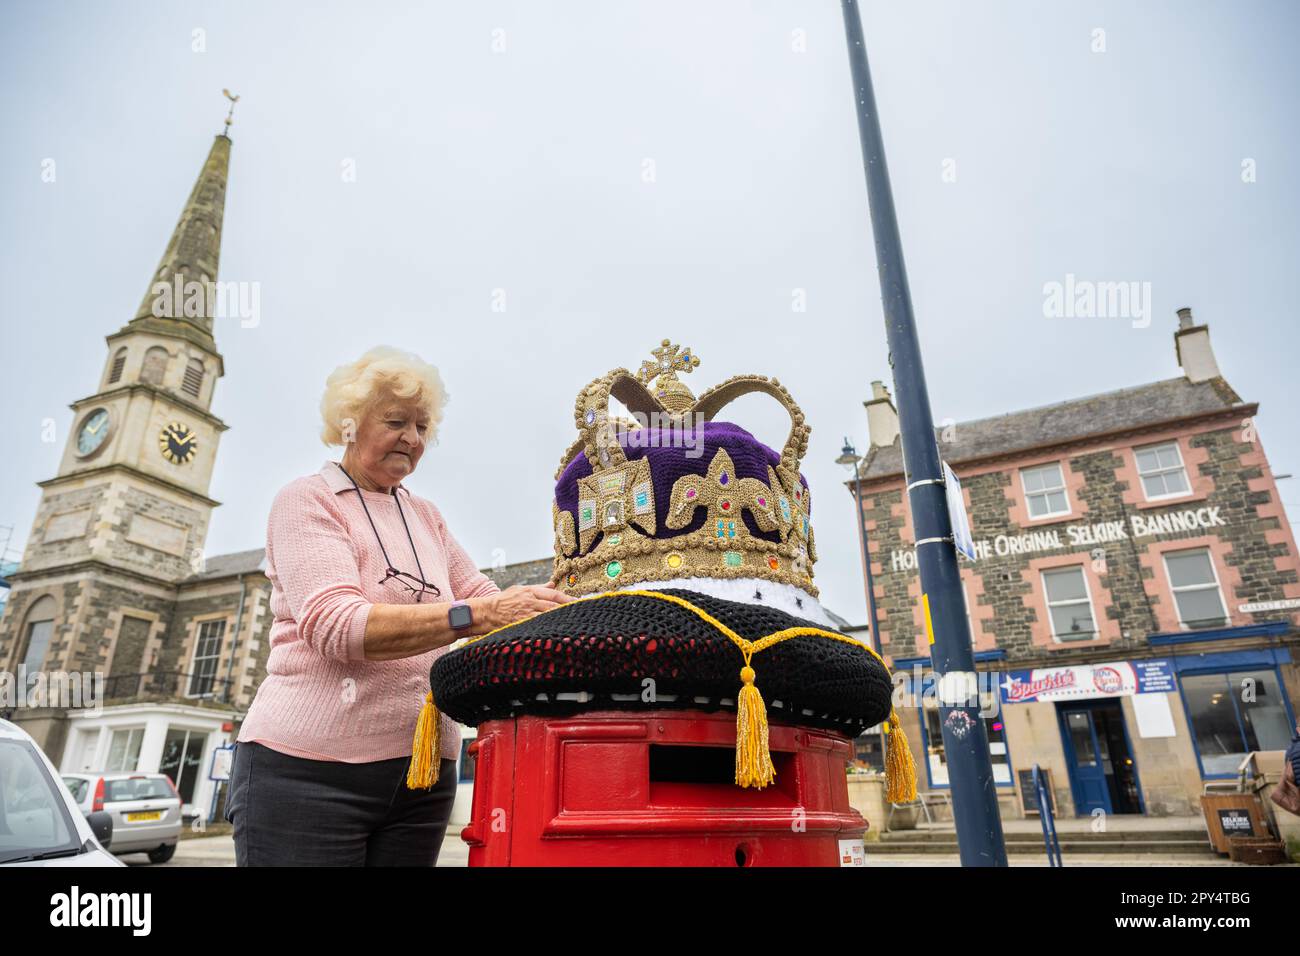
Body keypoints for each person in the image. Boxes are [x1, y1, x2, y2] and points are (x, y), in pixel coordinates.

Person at [224, 346, 570, 865]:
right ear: (348, 424)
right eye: (396, 421)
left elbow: (484, 596)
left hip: (422, 775)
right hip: (307, 772)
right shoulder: (306, 500)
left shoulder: (425, 515)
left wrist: (565, 608)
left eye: (423, 427)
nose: (412, 438)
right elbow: (338, 627)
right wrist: (476, 617)